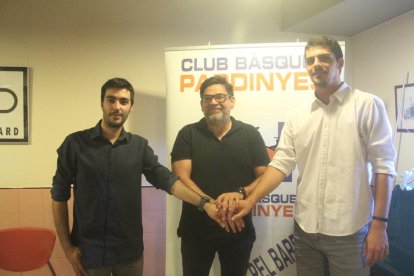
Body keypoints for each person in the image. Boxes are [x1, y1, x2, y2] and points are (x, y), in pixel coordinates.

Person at [230, 35, 396, 276]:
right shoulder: (298, 114)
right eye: (310, 60)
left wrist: (379, 225)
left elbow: (384, 166)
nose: (316, 64)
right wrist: (250, 198)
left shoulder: (367, 105)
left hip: (349, 233)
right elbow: (280, 163)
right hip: (305, 230)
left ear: (340, 63)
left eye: (324, 58)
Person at [51, 77, 224, 276]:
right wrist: (68, 248)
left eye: (124, 101)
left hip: (129, 255)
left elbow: (168, 181)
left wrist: (205, 204)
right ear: (102, 103)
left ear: (131, 107)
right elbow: (58, 196)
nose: (117, 107)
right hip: (89, 253)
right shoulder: (75, 144)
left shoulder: (139, 147)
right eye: (111, 100)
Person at [170, 76, 270, 276]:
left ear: (232, 101)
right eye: (207, 98)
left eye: (220, 97)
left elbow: (265, 177)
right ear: (201, 105)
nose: (213, 102)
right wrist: (211, 205)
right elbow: (181, 178)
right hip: (196, 230)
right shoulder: (187, 134)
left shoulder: (250, 134)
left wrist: (241, 194)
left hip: (238, 228)